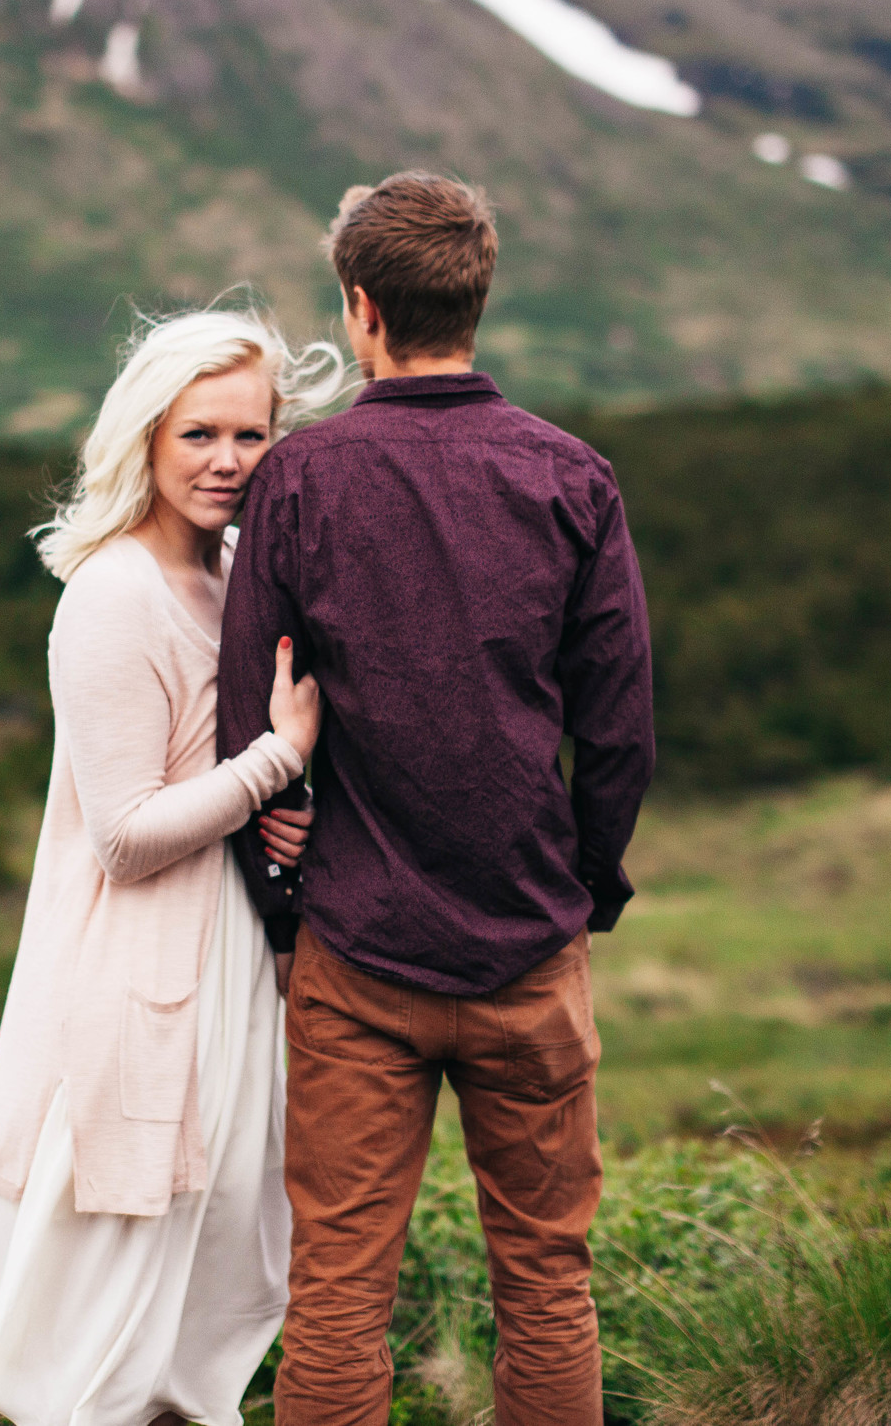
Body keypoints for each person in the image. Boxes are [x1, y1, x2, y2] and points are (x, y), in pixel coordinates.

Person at [216, 172, 657, 1426]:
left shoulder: (296, 481)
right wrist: (587, 890)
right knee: (546, 1282)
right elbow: (618, 727)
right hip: (529, 949)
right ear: (476, 297)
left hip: (356, 955)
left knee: (341, 1292)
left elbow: (249, 709)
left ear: (361, 308)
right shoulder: (573, 476)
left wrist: (284, 897)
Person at [0, 308, 343, 1426]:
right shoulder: (110, 595)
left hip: (231, 960)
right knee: (111, 1276)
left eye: (251, 434)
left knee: (219, 1257)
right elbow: (126, 833)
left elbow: (217, 771)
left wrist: (278, 806)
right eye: (199, 434)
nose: (229, 460)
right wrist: (277, 759)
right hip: (140, 972)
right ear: (144, 434)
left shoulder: (235, 569)